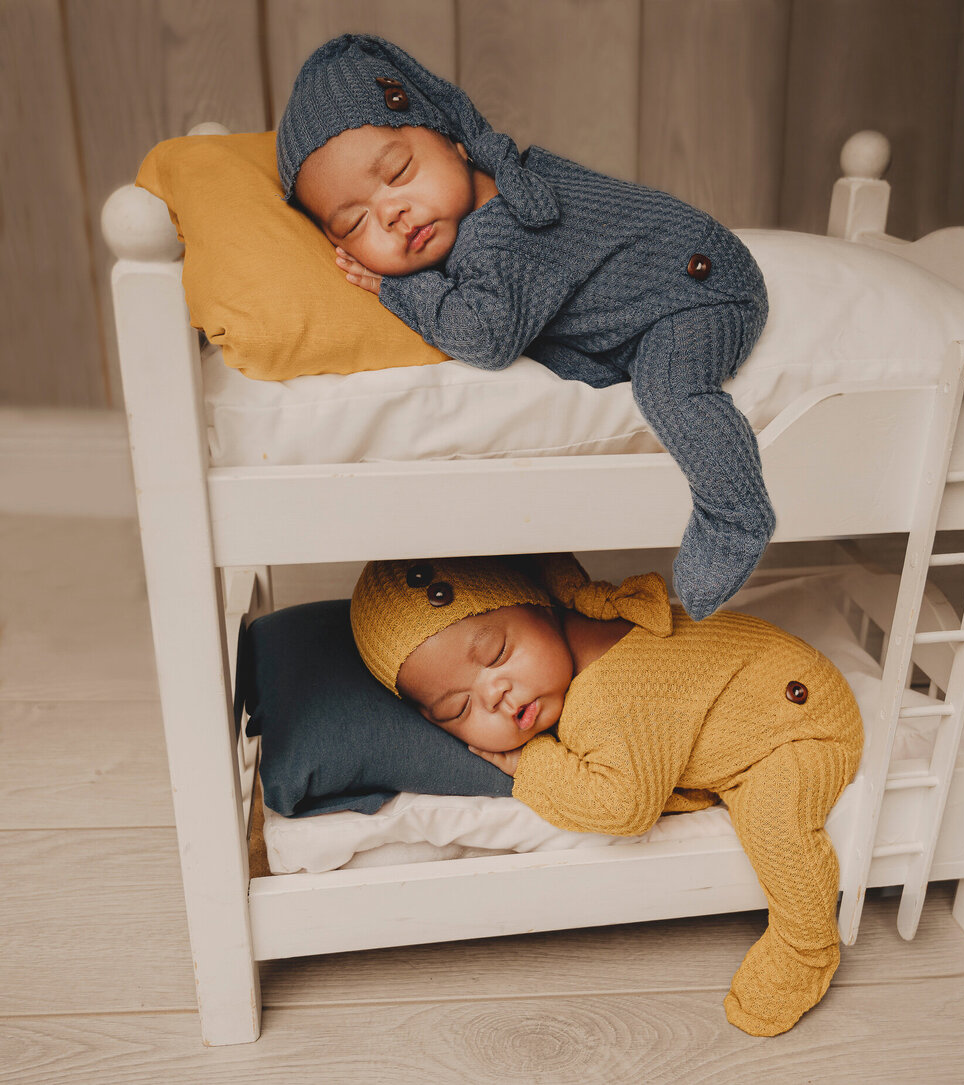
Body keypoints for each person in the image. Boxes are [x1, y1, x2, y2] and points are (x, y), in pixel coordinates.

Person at [277, 33, 774, 620]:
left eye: (400, 172)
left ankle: (737, 515)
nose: (390, 213)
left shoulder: (502, 225)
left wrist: (396, 285)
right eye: (355, 222)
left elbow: (486, 338)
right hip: (644, 302)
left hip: (698, 290)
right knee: (589, 367)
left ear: (454, 142)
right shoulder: (474, 214)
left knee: (670, 389)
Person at [349, 553, 864, 1037]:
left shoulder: (609, 690)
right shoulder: (570, 648)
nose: (494, 694)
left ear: (539, 607)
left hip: (795, 723)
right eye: (457, 709)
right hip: (750, 695)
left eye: (498, 654)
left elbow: (623, 807)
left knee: (777, 824)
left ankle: (807, 947)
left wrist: (528, 762)